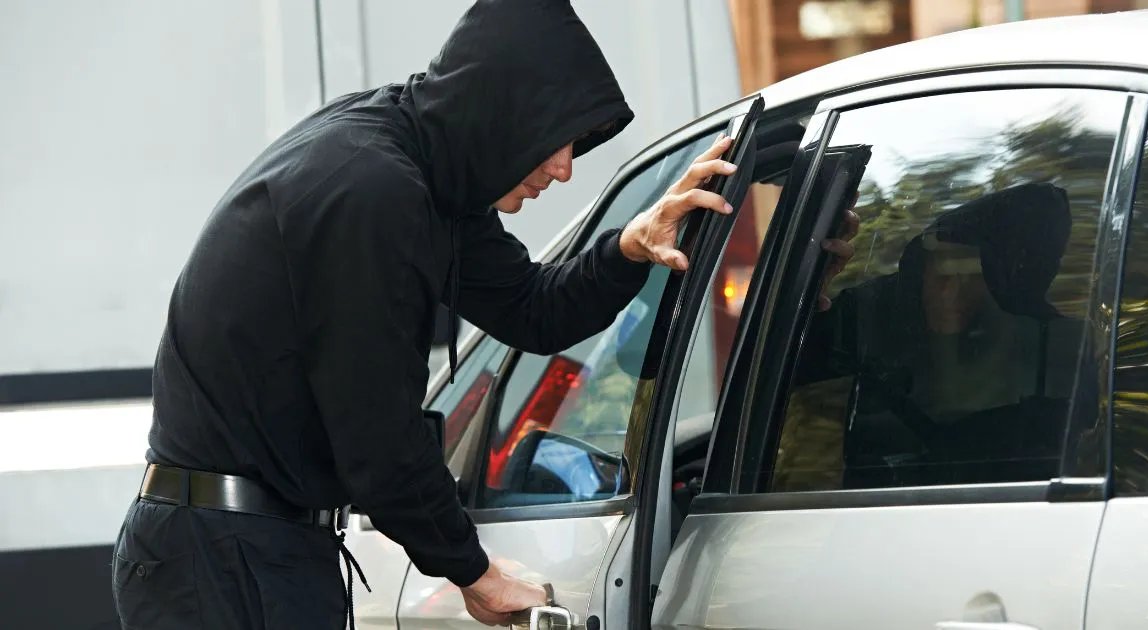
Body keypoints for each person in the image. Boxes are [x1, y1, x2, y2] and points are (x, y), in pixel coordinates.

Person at [110, 1, 856, 629]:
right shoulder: (373, 191)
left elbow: (533, 310)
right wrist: (473, 572)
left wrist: (632, 245)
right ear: (504, 113)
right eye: (557, 139)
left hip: (250, 549)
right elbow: (379, 437)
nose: (564, 168)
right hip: (223, 559)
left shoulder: (424, 177)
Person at [792, 182, 1088, 488]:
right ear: (920, 271)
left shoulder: (1064, 357)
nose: (950, 293)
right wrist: (809, 290)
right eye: (942, 273)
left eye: (969, 275)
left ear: (1005, 285)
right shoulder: (873, 322)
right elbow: (778, 366)